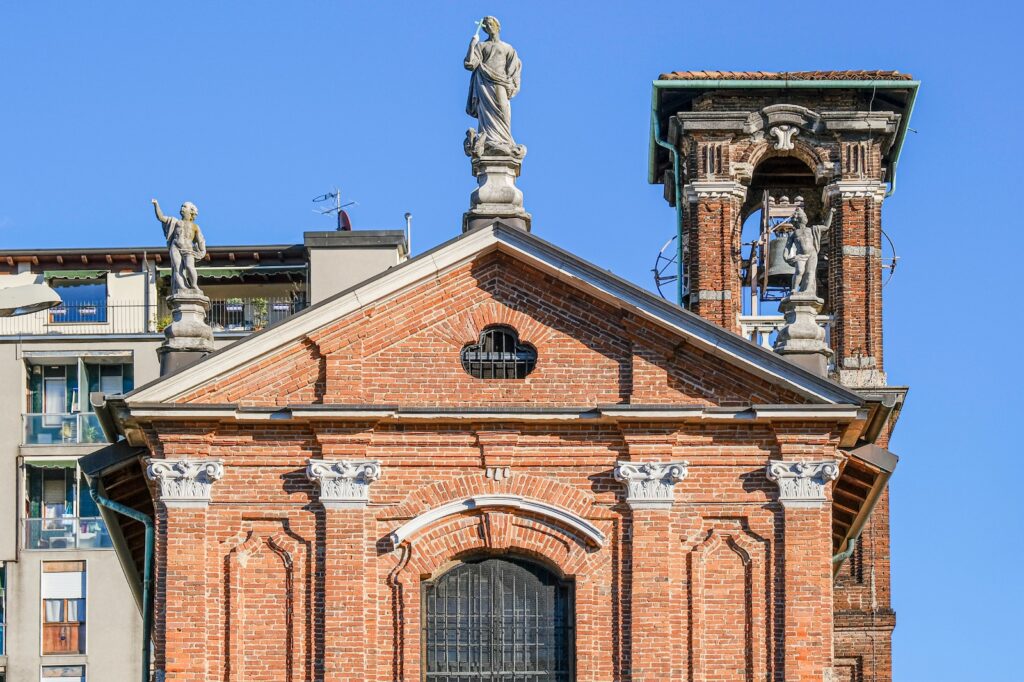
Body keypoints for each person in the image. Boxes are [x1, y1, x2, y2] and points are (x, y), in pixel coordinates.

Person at [464, 16, 524, 157]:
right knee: (485, 113)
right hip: (484, 84)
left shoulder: (507, 48)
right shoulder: (481, 46)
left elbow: (513, 69)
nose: (488, 27)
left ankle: (504, 140)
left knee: (503, 110)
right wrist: (472, 45)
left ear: (498, 27)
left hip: (501, 83)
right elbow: (470, 64)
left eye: (491, 24)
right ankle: (488, 140)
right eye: (486, 25)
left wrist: (511, 84)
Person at [152, 199, 207, 294]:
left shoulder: (195, 227)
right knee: (177, 268)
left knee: (190, 266)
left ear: (191, 211)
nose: (182, 208)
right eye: (182, 206)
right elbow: (160, 217)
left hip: (188, 249)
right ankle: (182, 287)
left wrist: (202, 251)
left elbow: (200, 240)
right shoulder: (175, 222)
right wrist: (156, 204)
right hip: (175, 246)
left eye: (185, 207)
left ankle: (194, 285)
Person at [783, 207, 833, 297]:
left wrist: (831, 213)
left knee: (810, 272)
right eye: (800, 217)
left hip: (812, 254)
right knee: (799, 271)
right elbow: (788, 246)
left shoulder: (812, 229)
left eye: (803, 217)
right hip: (801, 255)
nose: (803, 219)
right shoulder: (794, 234)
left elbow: (826, 227)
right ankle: (794, 289)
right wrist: (785, 256)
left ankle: (808, 291)